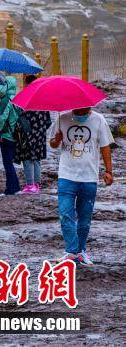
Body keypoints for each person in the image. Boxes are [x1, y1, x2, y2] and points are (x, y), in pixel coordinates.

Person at [49, 106, 114, 265]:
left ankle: (81, 251)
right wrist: (56, 140)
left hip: (89, 178)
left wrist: (109, 171)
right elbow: (52, 144)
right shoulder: (62, 119)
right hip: (66, 176)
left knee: (84, 219)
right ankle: (72, 251)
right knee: (65, 214)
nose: (83, 108)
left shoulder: (99, 120)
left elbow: (105, 147)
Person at [15, 74, 52, 194]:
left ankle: (30, 185)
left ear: (27, 84)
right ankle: (36, 184)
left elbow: (21, 118)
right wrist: (40, 130)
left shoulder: (26, 98)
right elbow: (48, 121)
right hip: (40, 136)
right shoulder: (44, 99)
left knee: (27, 159)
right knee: (37, 160)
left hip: (28, 135)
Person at [0, 76, 22, 196]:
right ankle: (15, 187)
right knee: (9, 162)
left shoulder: (5, 100)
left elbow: (1, 118)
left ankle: (10, 189)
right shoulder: (17, 98)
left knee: (7, 163)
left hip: (6, 136)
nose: (0, 87)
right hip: (15, 135)